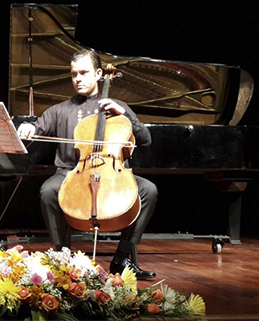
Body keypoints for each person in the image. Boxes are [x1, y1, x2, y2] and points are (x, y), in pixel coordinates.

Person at [17, 49, 158, 280]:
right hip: (70, 174)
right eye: (74, 74)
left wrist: (125, 116)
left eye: (83, 73)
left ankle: (123, 258)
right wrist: (30, 128)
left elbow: (146, 140)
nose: (78, 79)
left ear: (99, 74)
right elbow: (38, 127)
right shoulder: (60, 110)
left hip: (111, 173)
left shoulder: (118, 107)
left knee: (148, 190)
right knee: (48, 190)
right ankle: (61, 256)